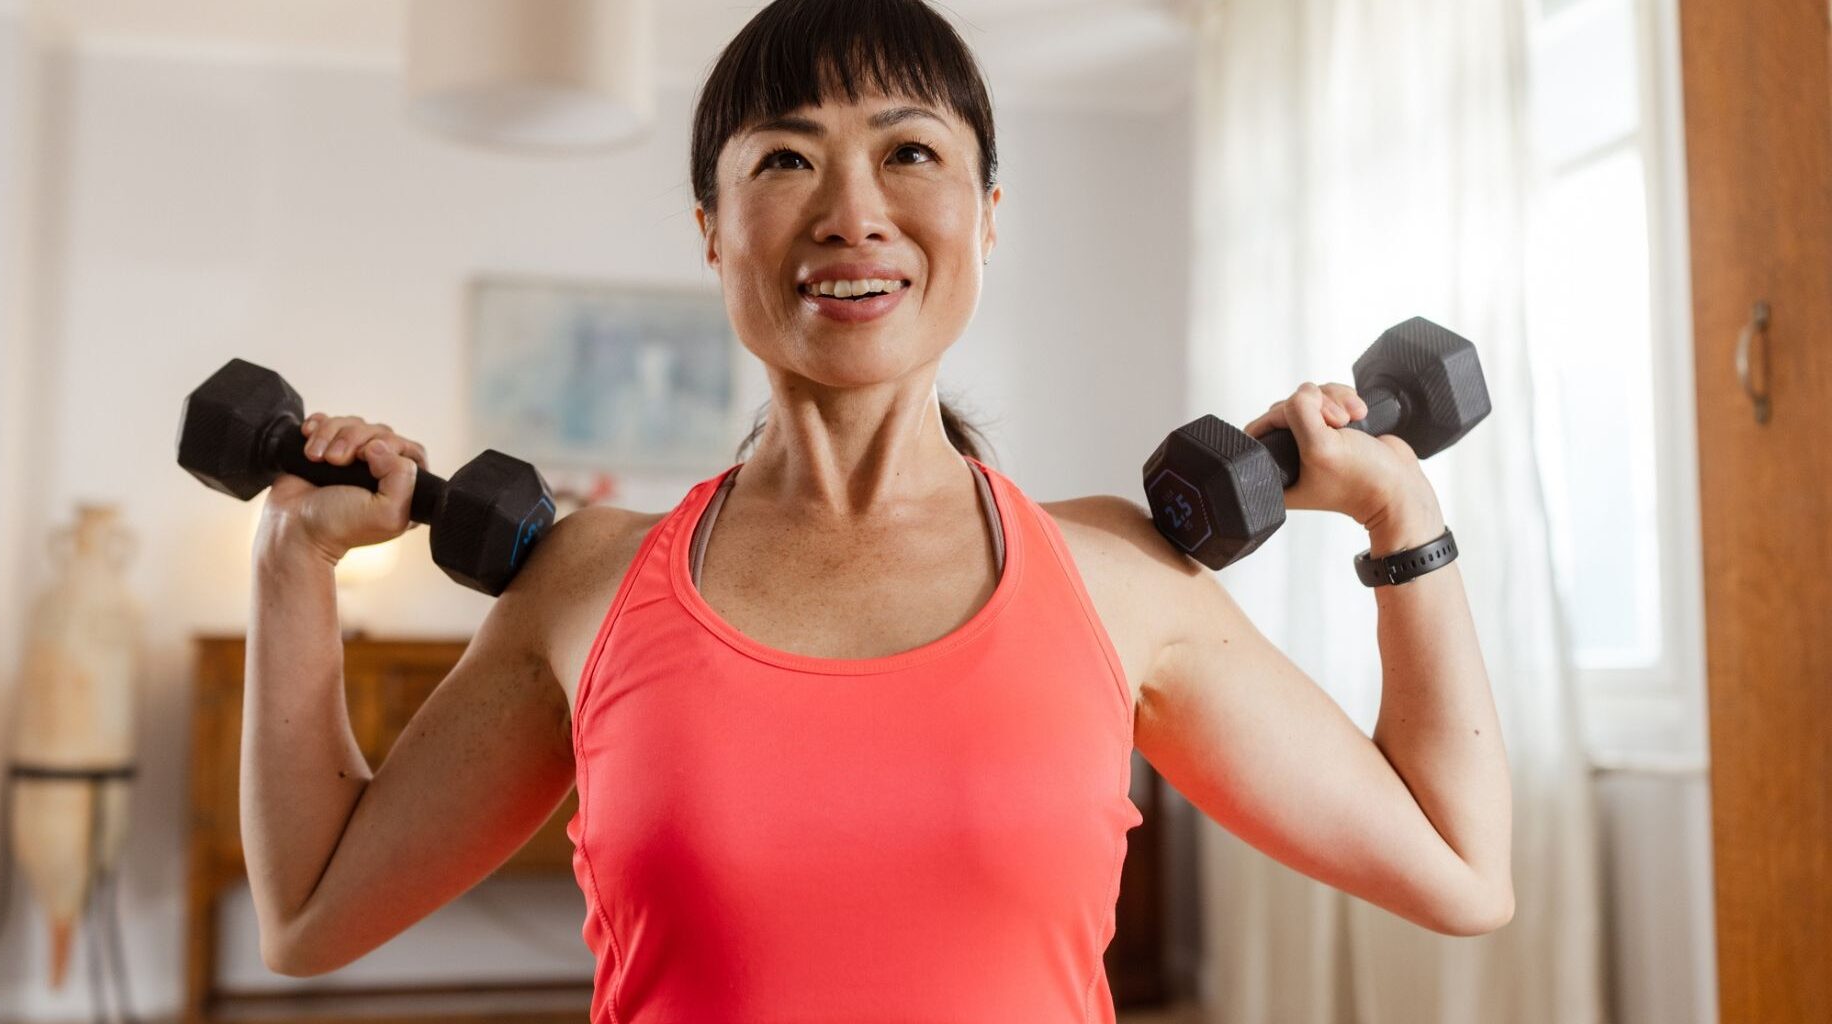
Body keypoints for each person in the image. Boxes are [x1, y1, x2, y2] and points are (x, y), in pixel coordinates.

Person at [241, 0, 1514, 1018]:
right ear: (712, 230)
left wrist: (1402, 519)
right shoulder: (587, 586)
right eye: (786, 159)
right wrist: (293, 559)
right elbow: (309, 913)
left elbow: (1459, 870)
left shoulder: (1118, 580)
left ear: (988, 217)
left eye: (909, 153)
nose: (853, 214)